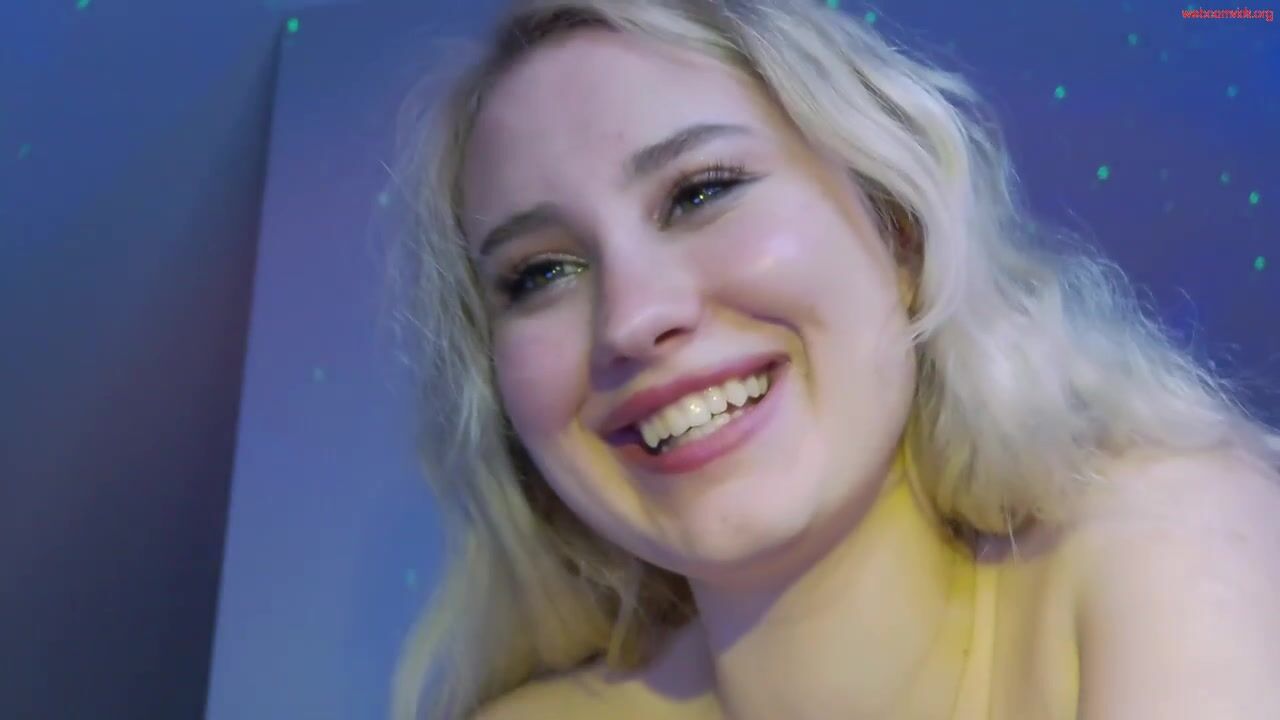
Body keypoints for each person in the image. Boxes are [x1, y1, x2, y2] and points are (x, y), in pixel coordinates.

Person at [384, 0, 1280, 717]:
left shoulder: (1169, 548)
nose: (632, 318)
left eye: (700, 192)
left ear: (899, 233)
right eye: (541, 273)